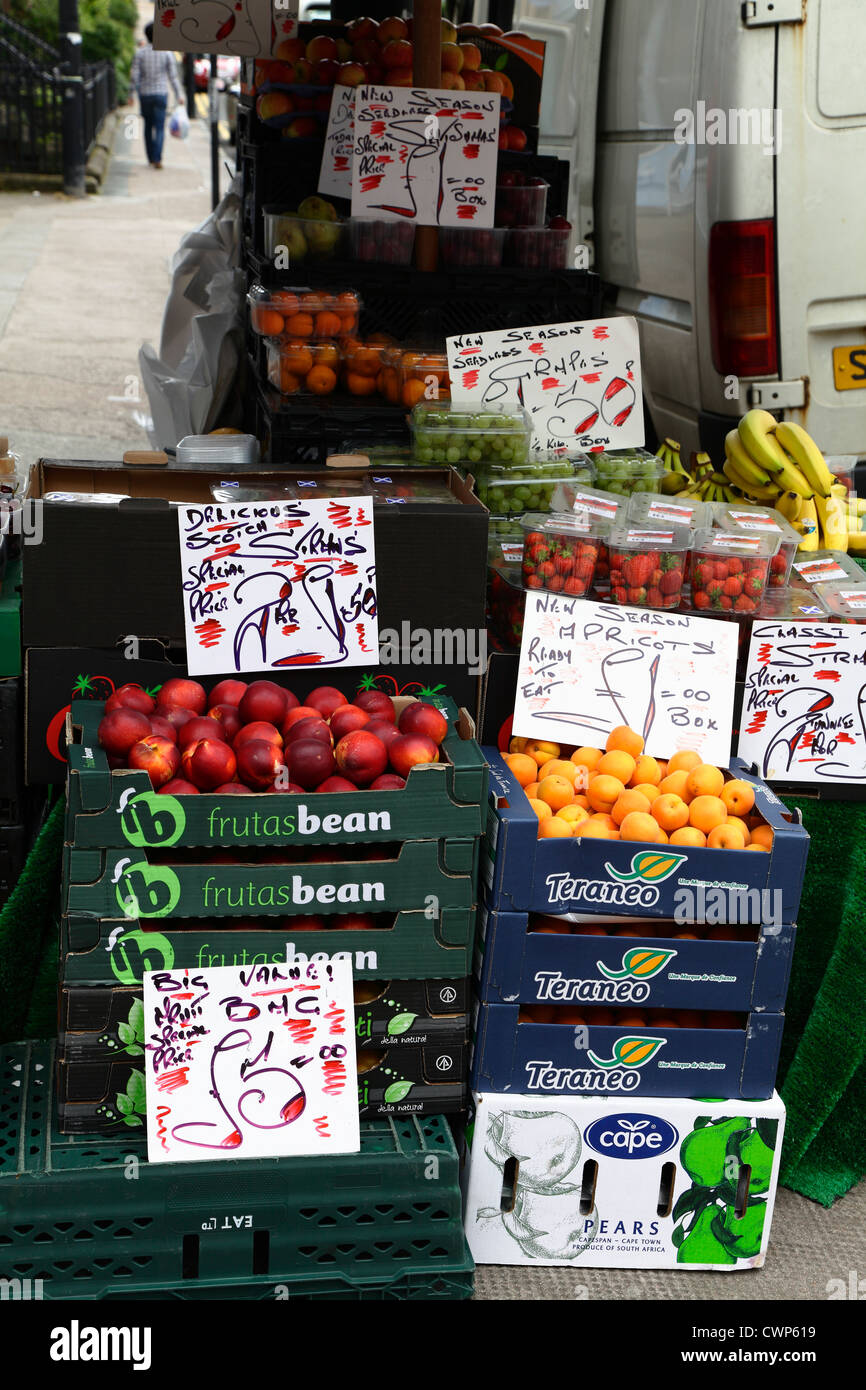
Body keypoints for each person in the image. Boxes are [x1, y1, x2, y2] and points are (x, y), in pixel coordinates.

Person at [129, 22, 184, 169]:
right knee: (160, 127)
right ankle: (158, 158)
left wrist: (130, 94)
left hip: (145, 94)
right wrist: (179, 95)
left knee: (148, 126)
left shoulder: (140, 53)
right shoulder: (166, 53)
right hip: (161, 94)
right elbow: (173, 77)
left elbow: (135, 76)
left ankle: (150, 158)